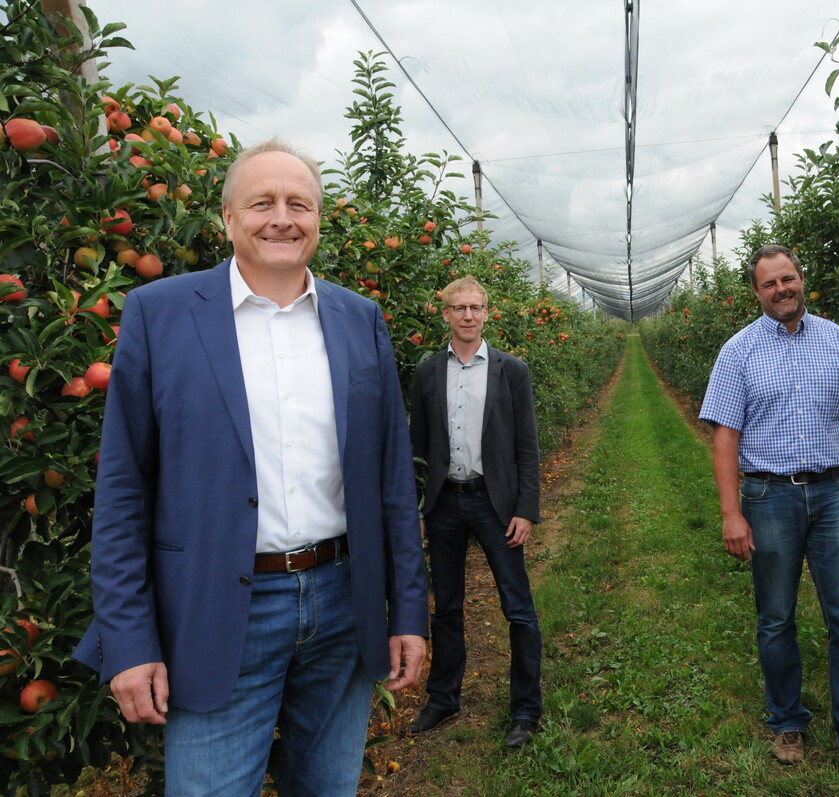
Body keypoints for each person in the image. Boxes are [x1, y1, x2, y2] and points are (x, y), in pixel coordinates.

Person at [74, 139, 429, 796]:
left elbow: (391, 483)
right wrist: (129, 640)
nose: (282, 219)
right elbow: (124, 490)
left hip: (342, 601)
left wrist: (408, 610)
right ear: (228, 218)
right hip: (215, 607)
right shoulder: (160, 314)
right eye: (262, 202)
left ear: (319, 219)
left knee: (326, 787)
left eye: (300, 204)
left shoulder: (360, 319)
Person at [698, 244, 839, 780]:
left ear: (802, 279)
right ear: (756, 292)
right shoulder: (738, 351)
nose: (781, 289)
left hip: (835, 492)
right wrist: (731, 512)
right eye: (769, 283)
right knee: (776, 617)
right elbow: (725, 437)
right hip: (769, 496)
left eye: (788, 278)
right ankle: (787, 720)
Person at [406, 275, 543, 749]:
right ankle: (443, 698)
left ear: (487, 314)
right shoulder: (428, 372)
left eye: (476, 307)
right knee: (446, 606)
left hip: (494, 502)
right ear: (445, 314)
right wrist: (417, 508)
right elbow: (417, 448)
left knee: (518, 608)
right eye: (459, 307)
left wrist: (526, 509)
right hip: (444, 502)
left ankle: (525, 710)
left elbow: (527, 445)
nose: (468, 315)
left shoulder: (512, 370)